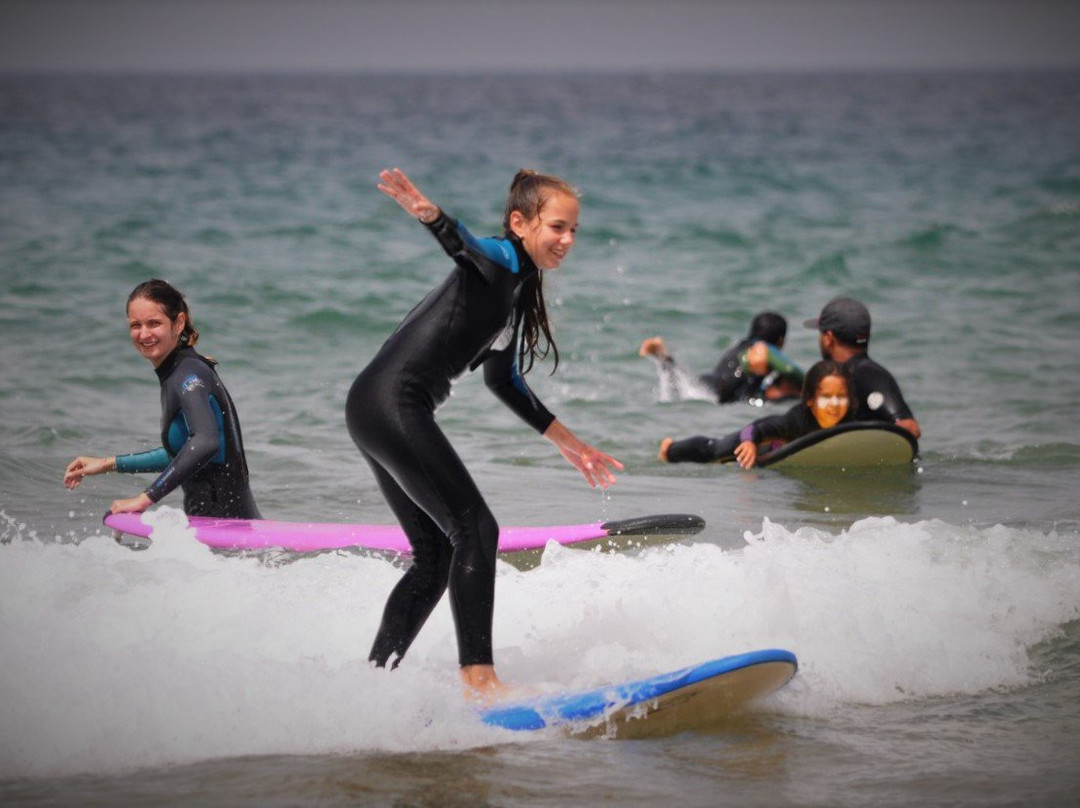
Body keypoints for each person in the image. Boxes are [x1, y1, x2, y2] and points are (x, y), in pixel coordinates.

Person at [346, 168, 622, 700]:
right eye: (557, 227)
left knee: (436, 557)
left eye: (574, 231)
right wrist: (432, 217)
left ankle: (372, 685)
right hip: (393, 403)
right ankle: (480, 680)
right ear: (521, 223)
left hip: (372, 405)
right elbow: (465, 244)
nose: (567, 241)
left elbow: (504, 379)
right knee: (476, 530)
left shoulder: (516, 290)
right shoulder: (499, 258)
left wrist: (572, 443)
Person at [63, 279, 260, 519]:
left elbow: (207, 442)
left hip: (229, 533)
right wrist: (108, 464)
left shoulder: (188, 374)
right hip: (224, 529)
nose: (144, 334)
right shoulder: (181, 371)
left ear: (178, 323)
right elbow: (183, 453)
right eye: (136, 325)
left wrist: (145, 498)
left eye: (154, 323)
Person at [658, 360, 853, 466]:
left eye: (841, 397)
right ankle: (670, 450)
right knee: (715, 450)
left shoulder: (851, 417)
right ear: (810, 400)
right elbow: (756, 428)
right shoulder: (797, 419)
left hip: (782, 449)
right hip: (762, 441)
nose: (834, 404)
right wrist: (749, 443)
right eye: (826, 397)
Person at [804, 297, 921, 438]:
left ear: (828, 338)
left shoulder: (867, 373)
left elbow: (909, 428)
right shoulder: (842, 377)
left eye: (820, 334)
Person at [639, 311, 804, 404]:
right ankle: (665, 359)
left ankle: (665, 360)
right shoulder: (762, 355)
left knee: (681, 389)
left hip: (707, 381)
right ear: (781, 340)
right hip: (720, 391)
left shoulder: (738, 349)